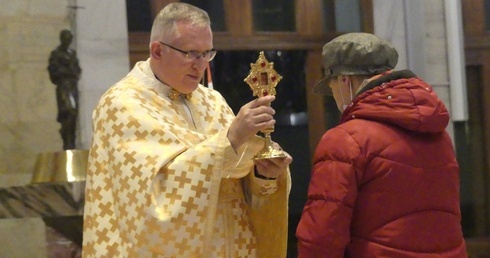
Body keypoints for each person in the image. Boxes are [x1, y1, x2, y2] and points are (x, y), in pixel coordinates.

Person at [82, 3, 292, 257]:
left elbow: (235, 182)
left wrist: (264, 175)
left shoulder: (211, 101)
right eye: (191, 53)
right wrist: (232, 139)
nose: (201, 65)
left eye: (207, 54)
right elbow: (152, 200)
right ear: (157, 50)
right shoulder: (122, 105)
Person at [296, 32, 467, 257]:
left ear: (344, 80)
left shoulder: (346, 139)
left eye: (332, 88)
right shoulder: (438, 133)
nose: (334, 97)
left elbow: (321, 235)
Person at [48, 29, 81, 150]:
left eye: (70, 39)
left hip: (72, 87)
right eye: (66, 38)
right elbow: (54, 72)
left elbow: (77, 70)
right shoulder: (56, 54)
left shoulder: (72, 54)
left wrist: (72, 73)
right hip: (63, 87)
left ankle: (71, 141)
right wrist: (68, 72)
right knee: (67, 111)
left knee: (73, 114)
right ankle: (66, 140)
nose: (68, 41)